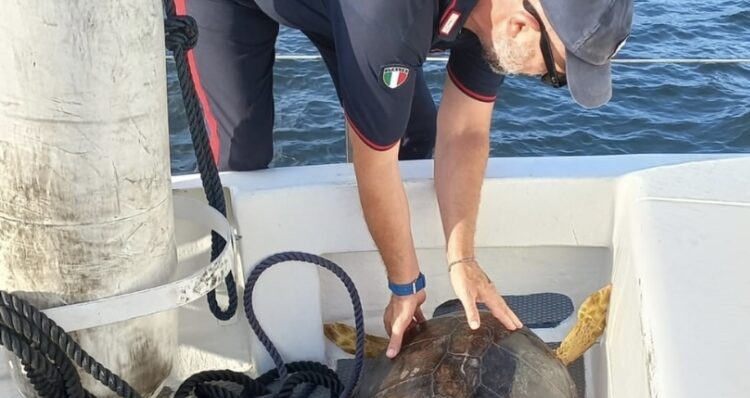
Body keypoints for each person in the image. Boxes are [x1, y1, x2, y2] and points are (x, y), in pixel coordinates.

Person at [181, 0, 633, 358]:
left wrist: (462, 259)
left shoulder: (500, 20)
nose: (544, 80)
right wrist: (405, 285)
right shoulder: (391, 17)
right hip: (232, 7)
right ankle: (233, 327)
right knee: (241, 158)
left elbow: (466, 131)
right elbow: (375, 162)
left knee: (416, 140)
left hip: (348, 13)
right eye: (555, 74)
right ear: (520, 25)